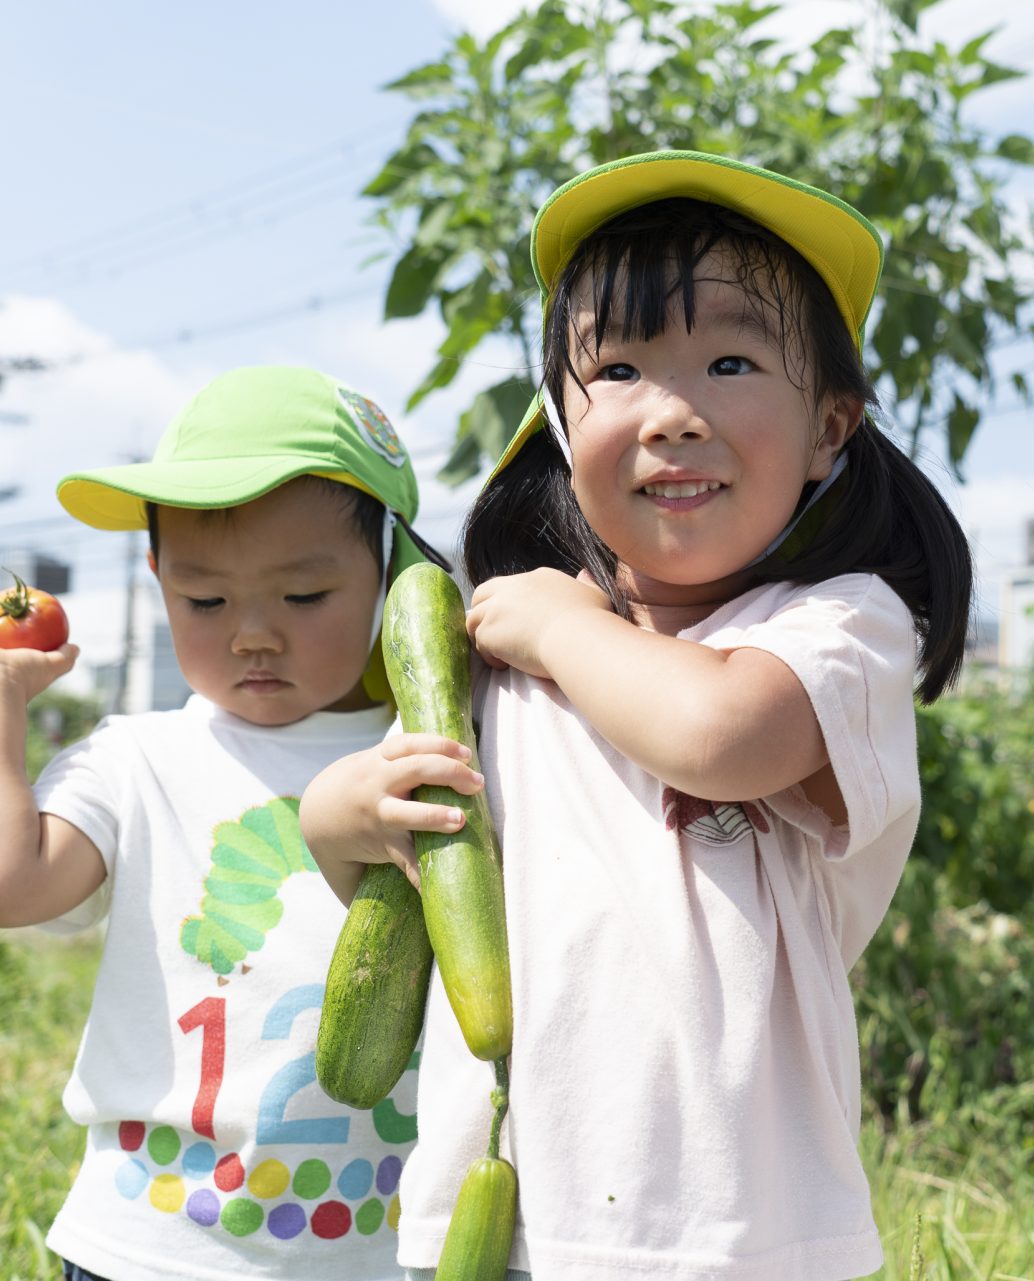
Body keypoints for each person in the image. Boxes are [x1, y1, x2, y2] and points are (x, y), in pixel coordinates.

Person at [299, 151, 973, 1280]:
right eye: (615, 367)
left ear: (830, 428)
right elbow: (414, 893)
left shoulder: (840, 628)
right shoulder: (500, 660)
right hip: (497, 1214)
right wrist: (344, 814)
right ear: (561, 426)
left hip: (742, 1238)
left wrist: (565, 632)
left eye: (729, 360)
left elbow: (722, 737)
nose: (671, 413)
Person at [0, 365, 443, 1281]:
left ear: (393, 570)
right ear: (159, 576)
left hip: (380, 1249)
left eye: (304, 596)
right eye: (205, 601)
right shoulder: (137, 758)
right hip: (147, 1244)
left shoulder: (436, 750)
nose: (252, 633)